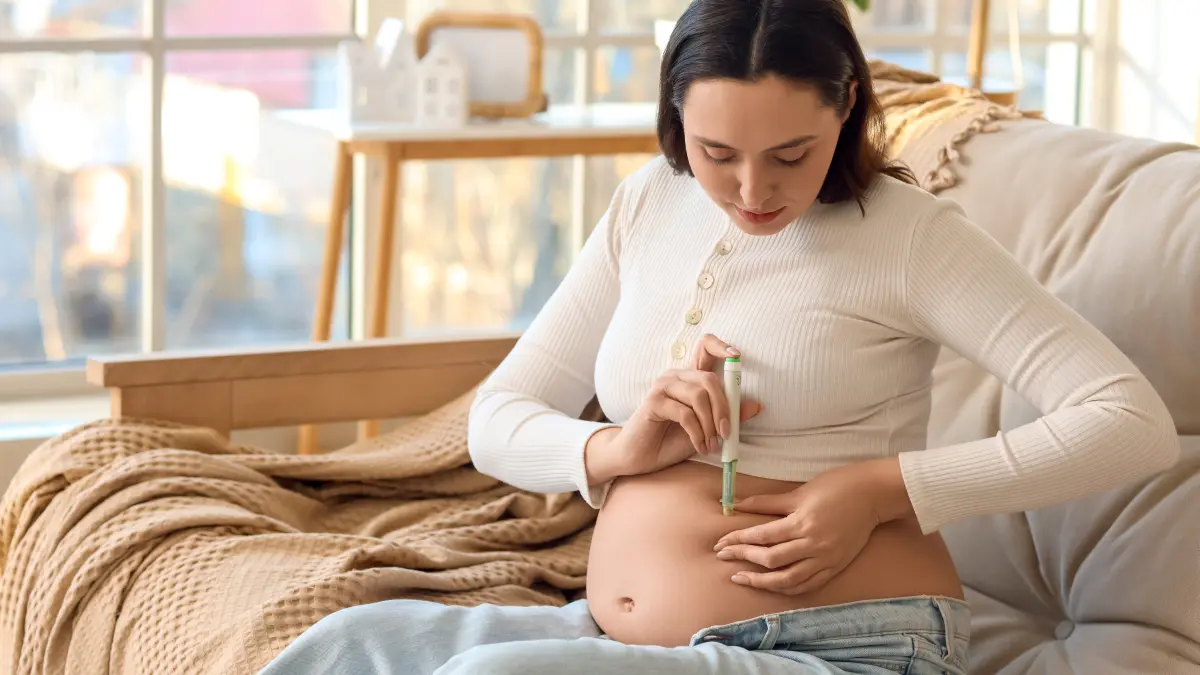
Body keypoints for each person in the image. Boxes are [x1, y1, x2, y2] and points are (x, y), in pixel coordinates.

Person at [259, 1, 1179, 673]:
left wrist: (882, 488)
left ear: (846, 104)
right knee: (339, 649)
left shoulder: (909, 236)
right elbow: (498, 418)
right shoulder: (645, 205)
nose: (752, 191)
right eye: (715, 154)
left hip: (848, 646)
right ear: (676, 120)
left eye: (791, 155)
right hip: (621, 636)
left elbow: (1124, 417)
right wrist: (620, 446)